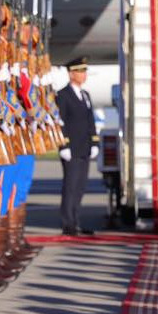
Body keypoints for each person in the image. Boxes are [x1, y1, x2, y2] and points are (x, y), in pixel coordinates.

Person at [55, 58, 98, 236]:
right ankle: (68, 223)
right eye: (81, 71)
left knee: (80, 186)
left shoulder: (85, 94)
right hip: (71, 148)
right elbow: (60, 122)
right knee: (70, 186)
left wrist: (95, 142)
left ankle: (76, 220)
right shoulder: (63, 95)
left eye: (85, 71)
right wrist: (63, 144)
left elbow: (90, 121)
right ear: (72, 73)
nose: (84, 75)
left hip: (84, 147)